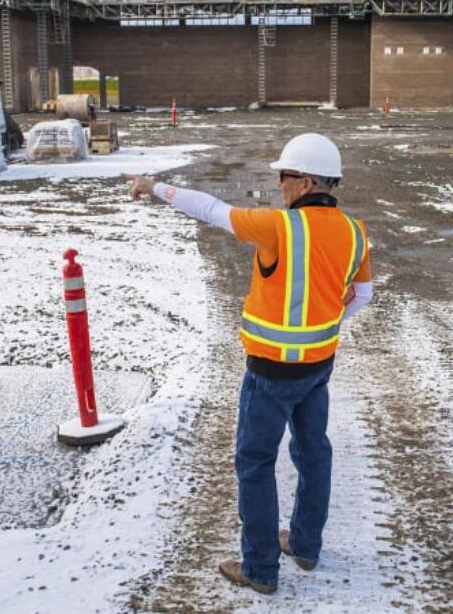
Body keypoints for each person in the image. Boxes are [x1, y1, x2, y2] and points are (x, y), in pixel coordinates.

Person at [124, 132, 374, 594]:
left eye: (283, 176)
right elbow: (363, 295)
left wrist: (154, 186)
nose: (279, 185)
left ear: (304, 182)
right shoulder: (356, 231)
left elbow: (211, 210)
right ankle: (304, 546)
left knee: (255, 462)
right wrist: (327, 316)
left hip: (270, 372)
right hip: (318, 365)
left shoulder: (281, 226)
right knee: (313, 453)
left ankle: (259, 568)